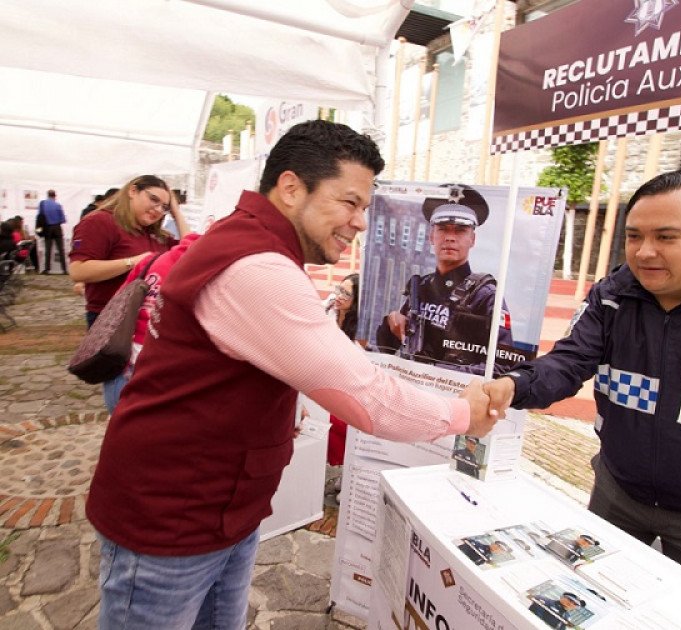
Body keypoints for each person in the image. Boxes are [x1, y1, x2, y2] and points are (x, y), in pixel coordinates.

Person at [86, 120, 496, 630]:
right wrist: (464, 413)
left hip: (219, 509)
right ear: (290, 188)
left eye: (364, 207)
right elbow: (364, 395)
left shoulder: (252, 243)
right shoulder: (258, 266)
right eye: (349, 202)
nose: (361, 222)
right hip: (170, 517)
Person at [483, 170, 681, 604]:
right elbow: (569, 361)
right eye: (634, 236)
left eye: (666, 237)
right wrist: (513, 385)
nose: (645, 252)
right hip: (617, 495)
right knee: (590, 603)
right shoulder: (612, 295)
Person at [375, 184, 514, 373]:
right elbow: (389, 348)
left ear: (472, 239)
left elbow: (503, 365)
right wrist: (390, 324)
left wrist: (438, 373)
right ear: (432, 236)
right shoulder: (421, 287)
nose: (450, 238)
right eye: (442, 229)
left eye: (460, 230)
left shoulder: (485, 295)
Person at [101, 233, 201, 413]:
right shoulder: (202, 272)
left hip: (124, 362)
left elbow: (118, 304)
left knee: (120, 428)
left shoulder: (151, 260)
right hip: (161, 371)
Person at [69, 175, 187, 327]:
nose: (158, 209)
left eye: (164, 207)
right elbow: (78, 271)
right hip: (110, 317)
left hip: (147, 317)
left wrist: (176, 212)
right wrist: (133, 262)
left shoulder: (156, 234)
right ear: (132, 191)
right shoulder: (100, 222)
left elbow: (189, 249)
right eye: (153, 199)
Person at [322, 272, 361, 501]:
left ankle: (350, 478)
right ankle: (344, 473)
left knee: (346, 428)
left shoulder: (360, 327)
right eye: (339, 289)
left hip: (348, 386)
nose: (339, 296)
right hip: (326, 382)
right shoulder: (329, 310)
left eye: (346, 293)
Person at [36, 189, 67, 274]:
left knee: (48, 249)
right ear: (55, 196)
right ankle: (64, 269)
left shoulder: (42, 204)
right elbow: (63, 219)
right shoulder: (58, 205)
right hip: (57, 228)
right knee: (61, 249)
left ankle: (47, 269)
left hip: (47, 228)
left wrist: (39, 230)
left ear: (48, 195)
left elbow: (39, 218)